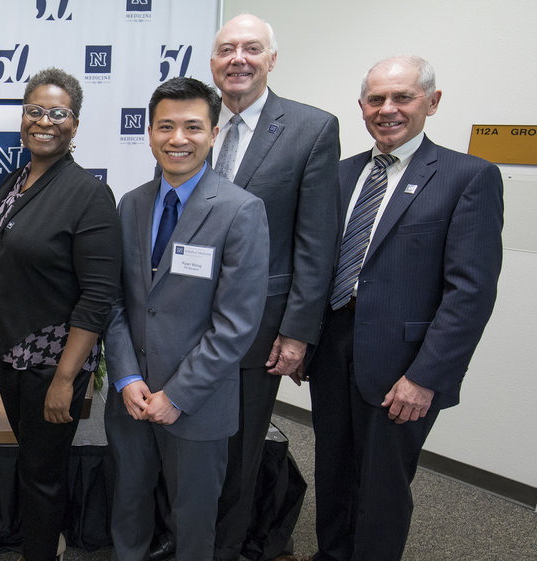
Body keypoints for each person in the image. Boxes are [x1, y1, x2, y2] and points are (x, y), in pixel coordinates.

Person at [292, 55, 504, 561]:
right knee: (334, 470)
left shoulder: (467, 176)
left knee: (383, 486)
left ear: (431, 102)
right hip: (333, 346)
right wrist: (303, 337)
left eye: (402, 97)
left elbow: (470, 293)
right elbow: (315, 264)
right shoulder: (338, 174)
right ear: (361, 107)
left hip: (403, 363)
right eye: (376, 99)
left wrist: (426, 376)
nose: (387, 109)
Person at [104, 77, 269, 561]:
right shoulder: (130, 203)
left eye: (193, 127)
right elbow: (116, 302)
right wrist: (127, 376)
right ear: (150, 133)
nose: (178, 139)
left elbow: (236, 324)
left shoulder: (241, 211)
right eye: (166, 126)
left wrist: (177, 394)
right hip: (131, 399)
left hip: (197, 404)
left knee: (194, 520)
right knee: (128, 508)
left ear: (214, 134)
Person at [0, 67, 121, 561]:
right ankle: (43, 541)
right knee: (34, 464)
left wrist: (65, 379)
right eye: (35, 110)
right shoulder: (16, 181)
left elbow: (97, 296)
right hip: (11, 357)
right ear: (22, 118)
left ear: (75, 124)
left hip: (52, 365)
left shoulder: (89, 195)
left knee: (43, 474)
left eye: (58, 113)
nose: (44, 121)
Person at [207, 15, 341, 561]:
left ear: (272, 59)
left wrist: (297, 331)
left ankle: (224, 545)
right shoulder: (193, 120)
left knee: (239, 449)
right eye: (226, 49)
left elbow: (315, 241)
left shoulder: (312, 128)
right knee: (186, 438)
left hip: (261, 324)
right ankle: (185, 531)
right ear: (213, 62)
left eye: (251, 49)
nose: (238, 58)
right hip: (185, 316)